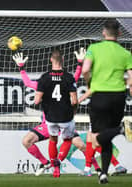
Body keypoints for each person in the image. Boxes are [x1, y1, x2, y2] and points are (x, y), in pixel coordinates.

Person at [13, 48, 84, 176]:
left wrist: (21, 67)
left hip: (51, 120)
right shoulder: (68, 78)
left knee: (76, 144)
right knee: (27, 141)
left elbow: (28, 83)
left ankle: (92, 168)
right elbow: (76, 80)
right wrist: (79, 63)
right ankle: (47, 163)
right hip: (64, 119)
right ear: (62, 60)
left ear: (50, 60)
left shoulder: (44, 80)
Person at [82, 19, 132, 184]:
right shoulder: (125, 53)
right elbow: (131, 76)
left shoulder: (94, 48)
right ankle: (103, 173)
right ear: (119, 33)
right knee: (105, 138)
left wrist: (89, 82)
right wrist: (129, 86)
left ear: (103, 32)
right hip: (118, 97)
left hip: (99, 96)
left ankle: (121, 130)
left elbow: (86, 69)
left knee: (97, 138)